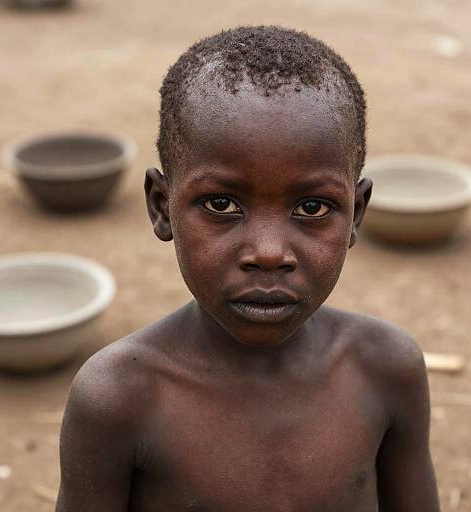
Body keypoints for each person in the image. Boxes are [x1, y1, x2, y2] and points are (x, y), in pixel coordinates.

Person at [56, 26, 440, 511]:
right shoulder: (119, 396)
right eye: (221, 203)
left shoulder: (386, 369)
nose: (268, 252)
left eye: (313, 208)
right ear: (162, 206)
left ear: (355, 215)